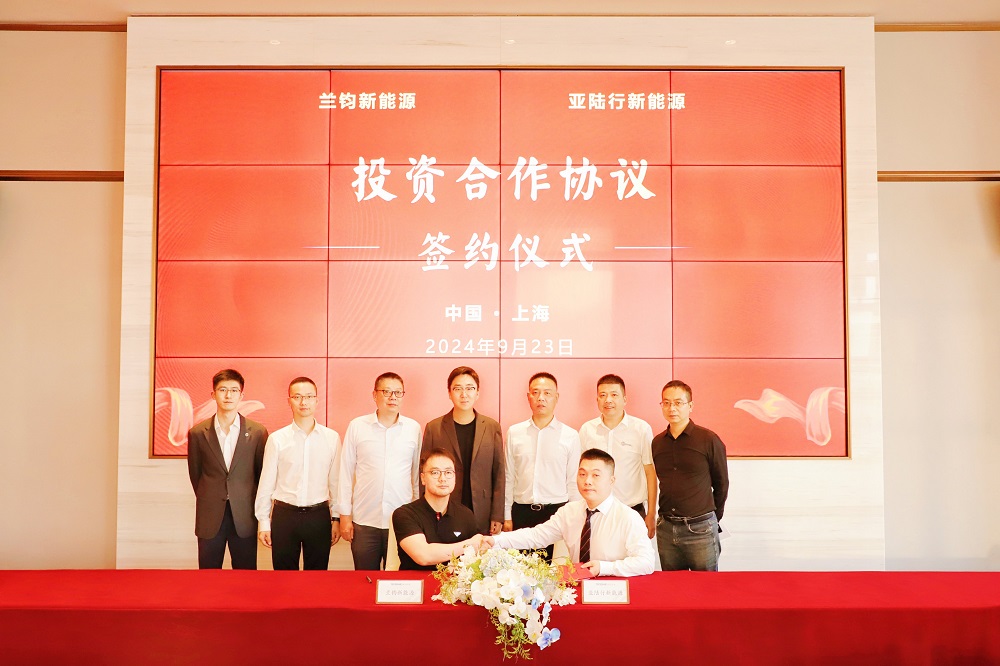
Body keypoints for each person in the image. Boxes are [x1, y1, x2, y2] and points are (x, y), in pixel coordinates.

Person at [487, 449, 655, 577]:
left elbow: (646, 562)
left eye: (596, 475)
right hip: (577, 586)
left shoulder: (628, 517)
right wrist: (495, 541)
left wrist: (604, 567)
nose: (587, 481)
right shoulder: (569, 512)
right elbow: (536, 536)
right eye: (582, 474)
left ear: (612, 481)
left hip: (614, 591)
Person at [254, 376, 341, 570]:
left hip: (319, 516)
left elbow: (335, 482)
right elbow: (266, 483)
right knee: (283, 578)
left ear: (317, 400)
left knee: (317, 577)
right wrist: (264, 522)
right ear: (289, 401)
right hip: (285, 516)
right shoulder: (277, 439)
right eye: (297, 397)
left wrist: (336, 518)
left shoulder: (331, 438)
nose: (303, 402)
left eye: (309, 396)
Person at [338, 372, 421, 570]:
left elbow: (417, 475)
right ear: (374, 395)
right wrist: (344, 515)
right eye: (387, 392)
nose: (393, 397)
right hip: (364, 521)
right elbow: (345, 472)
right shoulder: (357, 426)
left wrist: (418, 516)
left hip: (401, 520)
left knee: (398, 579)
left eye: (398, 392)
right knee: (365, 578)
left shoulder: (413, 428)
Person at [186, 368, 268, 569]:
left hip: (244, 515)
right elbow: (196, 475)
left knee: (245, 575)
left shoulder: (257, 432)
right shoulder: (198, 433)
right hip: (210, 514)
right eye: (222, 390)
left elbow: (261, 475)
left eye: (234, 390)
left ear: (241, 396)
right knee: (208, 574)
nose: (228, 395)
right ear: (213, 394)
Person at [652, 380, 729, 571]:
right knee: (672, 586)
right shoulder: (657, 443)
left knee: (705, 586)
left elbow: (722, 484)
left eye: (678, 403)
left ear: (690, 406)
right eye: (666, 403)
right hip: (666, 529)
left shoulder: (708, 439)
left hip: (701, 529)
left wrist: (712, 519)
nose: (672, 408)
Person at [503, 372, 580, 562]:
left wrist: (575, 518)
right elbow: (508, 476)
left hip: (557, 513)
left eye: (547, 393)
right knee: (520, 572)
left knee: (556, 571)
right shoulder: (515, 432)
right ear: (528, 396)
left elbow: (573, 481)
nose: (541, 398)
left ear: (556, 397)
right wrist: (506, 515)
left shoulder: (570, 436)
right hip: (521, 513)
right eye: (535, 392)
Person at [421, 366, 504, 536]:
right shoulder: (434, 428)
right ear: (449, 393)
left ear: (477, 393)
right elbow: (424, 472)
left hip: (481, 510)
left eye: (470, 388)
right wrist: (426, 512)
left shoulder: (491, 427)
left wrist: (497, 514)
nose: (464, 394)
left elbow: (499, 474)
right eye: (457, 389)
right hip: (443, 508)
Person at [578, 374, 657, 539]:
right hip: (596, 511)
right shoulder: (587, 430)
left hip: (632, 510)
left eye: (614, 395)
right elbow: (581, 472)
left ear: (624, 399)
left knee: (634, 555)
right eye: (603, 395)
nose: (608, 400)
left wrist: (651, 513)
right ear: (597, 399)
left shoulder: (641, 429)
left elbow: (650, 472)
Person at [391, 448, 484, 570]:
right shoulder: (404, 514)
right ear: (423, 478)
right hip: (416, 581)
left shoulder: (466, 514)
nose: (442, 478)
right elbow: (423, 556)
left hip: (454, 581)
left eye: (448, 472)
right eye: (435, 472)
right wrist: (469, 545)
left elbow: (475, 556)